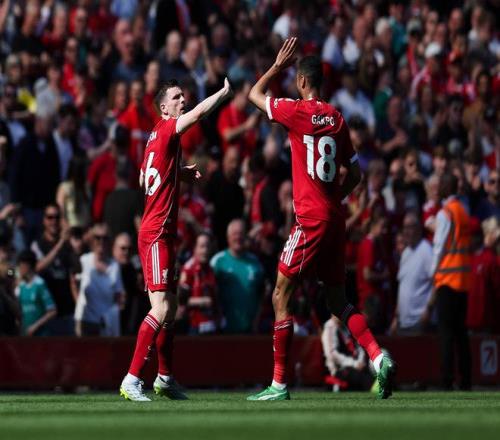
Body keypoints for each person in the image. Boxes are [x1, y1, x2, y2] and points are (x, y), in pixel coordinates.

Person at [246, 38, 395, 401]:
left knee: (281, 294)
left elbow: (253, 94)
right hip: (335, 219)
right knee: (337, 301)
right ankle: (378, 356)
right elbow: (355, 175)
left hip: (310, 220)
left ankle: (278, 384)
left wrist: (276, 66)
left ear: (301, 81)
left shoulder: (296, 111)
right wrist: (333, 199)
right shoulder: (338, 118)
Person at [120, 76, 232, 401]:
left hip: (162, 232)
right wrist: (223, 93)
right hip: (156, 232)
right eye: (176, 97)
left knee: (171, 307)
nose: (183, 100)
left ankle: (165, 378)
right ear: (164, 107)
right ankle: (131, 379)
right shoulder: (169, 128)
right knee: (161, 308)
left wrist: (177, 172)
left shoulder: (154, 136)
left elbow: (144, 178)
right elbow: (198, 114)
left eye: (183, 96)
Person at [424, 174, 472, 390]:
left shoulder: (445, 213)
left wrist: (431, 273)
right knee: (461, 333)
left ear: (446, 187)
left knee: (446, 334)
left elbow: (439, 246)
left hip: (447, 280)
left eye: (441, 184)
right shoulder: (462, 211)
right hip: (462, 280)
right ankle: (466, 380)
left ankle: (446, 381)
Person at [210, 219, 264, 334]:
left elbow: (262, 294)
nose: (238, 237)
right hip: (224, 330)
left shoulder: (255, 262)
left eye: (241, 233)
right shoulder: (217, 261)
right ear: (228, 237)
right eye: (234, 234)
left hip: (251, 330)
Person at [74, 224, 124, 337]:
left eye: (105, 238)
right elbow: (73, 282)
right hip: (85, 322)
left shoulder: (115, 266)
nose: (101, 241)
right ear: (92, 239)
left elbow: (118, 295)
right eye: (97, 237)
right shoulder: (83, 261)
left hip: (106, 324)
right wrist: (79, 304)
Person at [390, 212, 434, 335]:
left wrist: (429, 309)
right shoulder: (405, 253)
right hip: (402, 323)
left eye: (410, 227)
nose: (406, 231)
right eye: (404, 227)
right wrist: (396, 317)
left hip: (419, 322)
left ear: (419, 229)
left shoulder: (426, 250)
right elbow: (402, 287)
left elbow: (437, 282)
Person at [178, 232, 219, 335]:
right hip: (194, 326)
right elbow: (180, 300)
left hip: (210, 324)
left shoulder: (210, 269)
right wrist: (201, 301)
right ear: (195, 248)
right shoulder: (188, 269)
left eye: (207, 247)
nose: (205, 250)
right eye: (202, 247)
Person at [321, 316, 374, 391]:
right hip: (339, 370)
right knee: (364, 379)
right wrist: (354, 364)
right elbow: (332, 354)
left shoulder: (346, 327)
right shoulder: (330, 327)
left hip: (356, 366)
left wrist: (360, 361)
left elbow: (358, 347)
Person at [15, 250, 57, 336]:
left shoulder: (40, 284)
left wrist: (35, 326)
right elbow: (20, 310)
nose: (19, 269)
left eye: (20, 266)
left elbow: (52, 311)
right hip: (25, 334)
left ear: (27, 265)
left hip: (41, 335)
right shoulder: (21, 286)